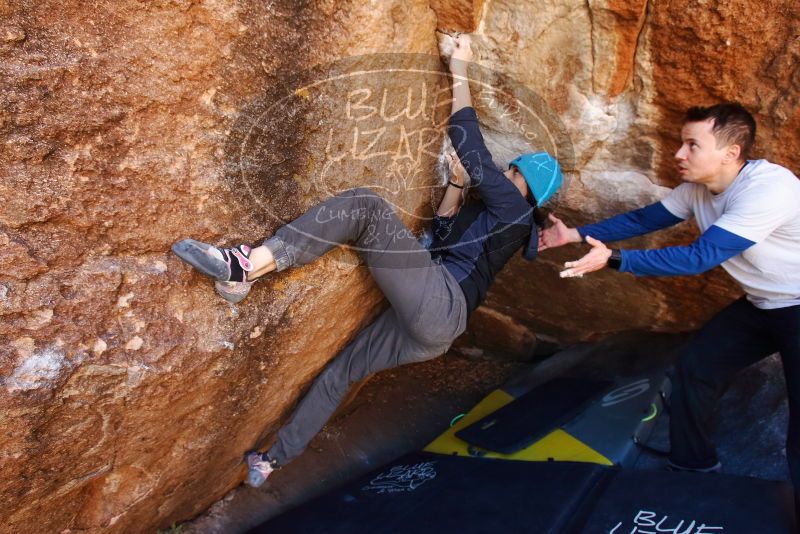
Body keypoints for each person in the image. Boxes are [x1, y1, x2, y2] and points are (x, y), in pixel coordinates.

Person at [172, 34, 563, 487]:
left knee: (364, 206)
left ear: (522, 182)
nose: (503, 172)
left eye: (510, 170)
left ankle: (245, 267)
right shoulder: (503, 219)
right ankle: (272, 461)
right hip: (436, 328)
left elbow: (466, 137)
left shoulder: (515, 209)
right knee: (343, 371)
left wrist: (461, 66)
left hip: (440, 306)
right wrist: (455, 185)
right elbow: (441, 238)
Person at [539, 102, 800, 512]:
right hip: (764, 304)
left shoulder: (769, 188)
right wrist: (573, 233)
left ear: (731, 152)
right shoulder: (698, 189)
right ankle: (693, 469)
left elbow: (700, 257)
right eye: (682, 144)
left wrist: (613, 259)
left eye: (692, 145)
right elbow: (644, 220)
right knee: (695, 366)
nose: (679, 154)